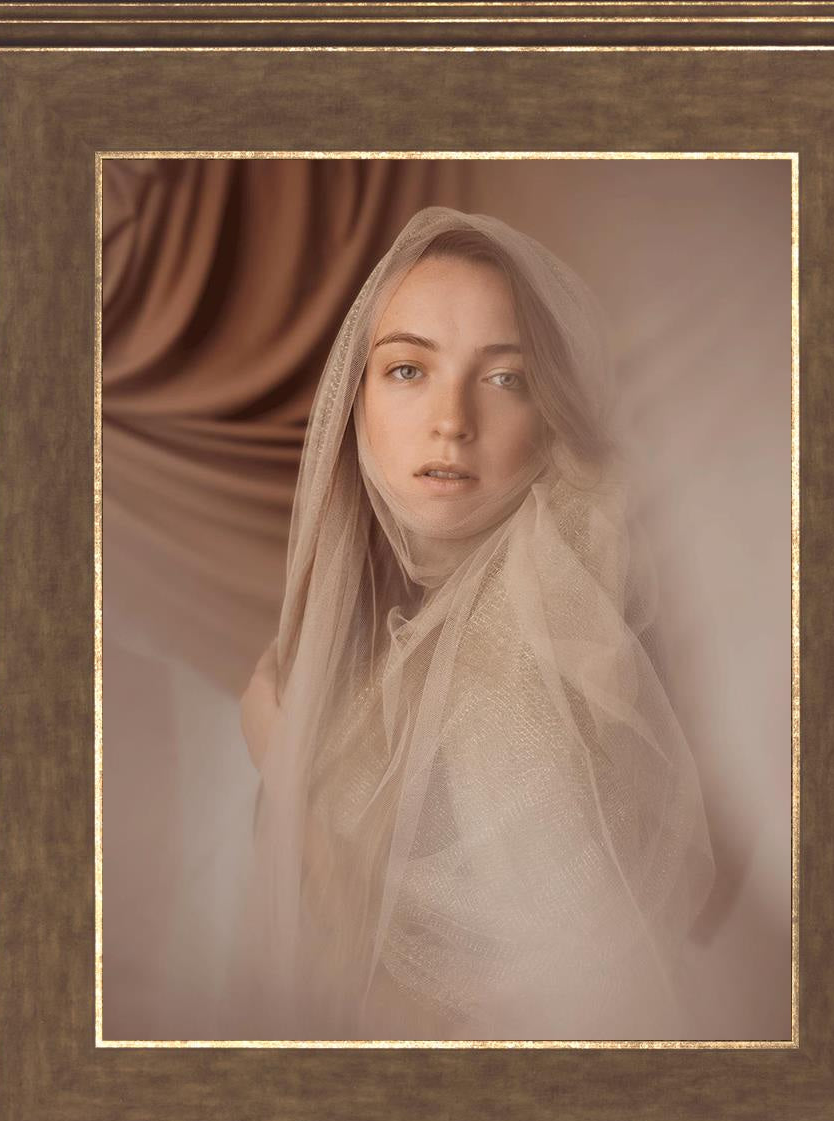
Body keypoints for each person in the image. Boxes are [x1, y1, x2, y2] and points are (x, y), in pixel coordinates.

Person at [230, 206, 716, 1041]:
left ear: (550, 415)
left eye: (504, 379)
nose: (451, 419)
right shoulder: (396, 623)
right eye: (407, 369)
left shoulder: (535, 624)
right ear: (354, 401)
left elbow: (505, 1038)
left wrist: (279, 755)